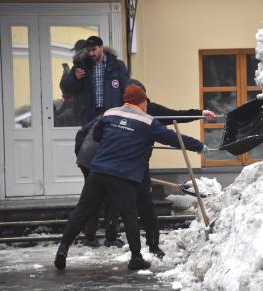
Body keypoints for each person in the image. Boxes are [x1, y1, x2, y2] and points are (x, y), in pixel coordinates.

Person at [54, 84, 208, 271]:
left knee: (82, 211)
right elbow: (173, 138)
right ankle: (136, 257)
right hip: (123, 175)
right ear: (142, 101)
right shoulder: (147, 122)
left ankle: (63, 249)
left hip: (98, 171)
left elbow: (96, 134)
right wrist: (199, 146)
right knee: (129, 215)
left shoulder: (110, 113)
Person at [59, 36, 130, 126]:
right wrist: (75, 77)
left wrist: (125, 113)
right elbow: (67, 89)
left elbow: (127, 89)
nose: (91, 53)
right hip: (90, 115)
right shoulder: (81, 65)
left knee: (110, 139)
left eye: (94, 49)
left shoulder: (117, 65)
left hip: (112, 114)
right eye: (89, 50)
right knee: (90, 139)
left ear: (101, 47)